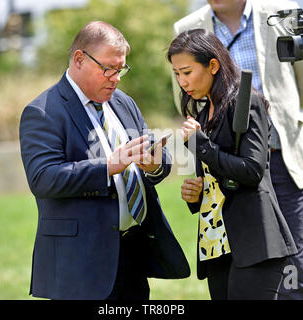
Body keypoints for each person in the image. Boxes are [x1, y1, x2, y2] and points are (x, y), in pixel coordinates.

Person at [19, 21, 190, 300]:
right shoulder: (44, 111)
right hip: (80, 263)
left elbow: (157, 159)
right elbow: (43, 178)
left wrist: (155, 163)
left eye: (121, 69)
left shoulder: (123, 102)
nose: (116, 78)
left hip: (132, 254)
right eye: (108, 69)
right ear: (79, 60)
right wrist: (109, 166)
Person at [172, 0, 303, 299]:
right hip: (217, 238)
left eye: (186, 73)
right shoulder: (202, 109)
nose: (182, 81)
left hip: (280, 157)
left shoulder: (281, 12)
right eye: (178, 74)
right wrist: (196, 193)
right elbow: (214, 177)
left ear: (213, 65)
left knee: (291, 266)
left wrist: (273, 121)